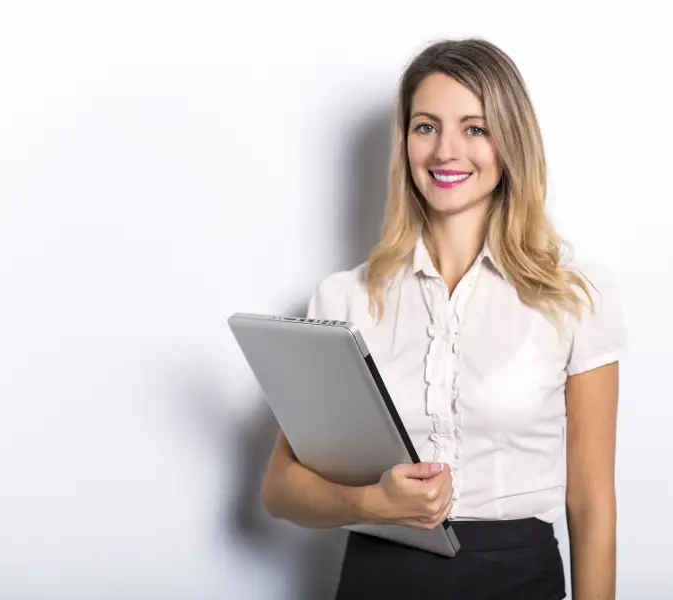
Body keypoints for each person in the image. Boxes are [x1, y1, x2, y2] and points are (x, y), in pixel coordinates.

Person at [261, 38, 626, 600]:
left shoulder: (574, 297)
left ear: (511, 142)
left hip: (518, 580)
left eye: (474, 128)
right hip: (376, 580)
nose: (445, 151)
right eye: (425, 127)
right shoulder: (344, 299)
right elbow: (280, 489)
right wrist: (371, 504)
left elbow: (592, 501)